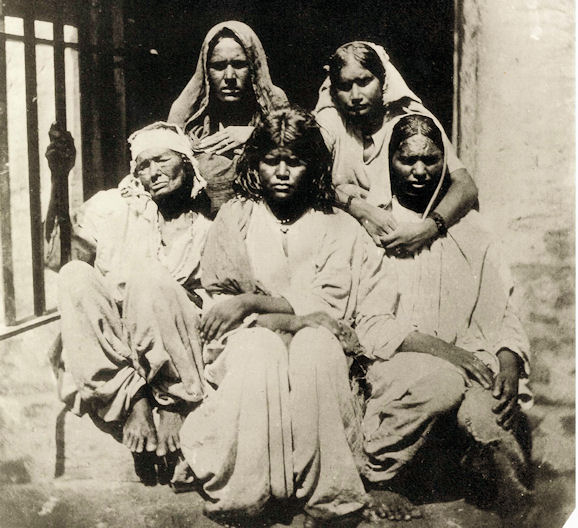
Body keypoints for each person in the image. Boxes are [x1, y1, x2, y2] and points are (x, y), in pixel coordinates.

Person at [176, 107, 404, 526]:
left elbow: (330, 307)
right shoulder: (236, 217)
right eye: (271, 160)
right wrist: (271, 317)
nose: (282, 172)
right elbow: (220, 298)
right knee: (261, 351)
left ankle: (330, 498)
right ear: (255, 163)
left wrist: (255, 303)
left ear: (312, 165)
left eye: (294, 162)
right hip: (247, 341)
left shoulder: (336, 226)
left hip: (315, 342)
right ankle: (246, 493)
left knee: (315, 348)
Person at [361, 113, 532, 519]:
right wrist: (449, 355)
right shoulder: (377, 231)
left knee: (489, 415)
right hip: (400, 362)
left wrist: (508, 360)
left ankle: (489, 474)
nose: (420, 171)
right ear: (389, 163)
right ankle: (376, 476)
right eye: (407, 160)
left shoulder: (473, 231)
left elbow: (504, 308)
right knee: (441, 385)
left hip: (472, 357)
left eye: (432, 159)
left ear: (444, 162)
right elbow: (373, 324)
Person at [51, 122, 212, 484]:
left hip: (177, 344)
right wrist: (59, 179)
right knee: (75, 274)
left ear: (185, 162)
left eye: (161, 160)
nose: (152, 173)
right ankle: (134, 399)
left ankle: (172, 404)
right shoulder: (117, 214)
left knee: (149, 277)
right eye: (143, 165)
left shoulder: (205, 229)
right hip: (124, 342)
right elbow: (58, 258)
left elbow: (214, 300)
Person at [315, 41, 478, 257]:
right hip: (347, 238)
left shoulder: (412, 121)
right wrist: (360, 208)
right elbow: (306, 179)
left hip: (407, 234)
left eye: (364, 82)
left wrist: (427, 228)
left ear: (382, 80)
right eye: (345, 86)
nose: (355, 95)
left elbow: (465, 185)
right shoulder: (330, 121)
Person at [168, 21, 288, 216]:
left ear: (254, 66)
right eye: (219, 66)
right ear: (206, 71)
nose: (230, 76)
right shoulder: (185, 113)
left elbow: (300, 157)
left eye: (240, 65)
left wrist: (258, 134)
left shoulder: (274, 103)